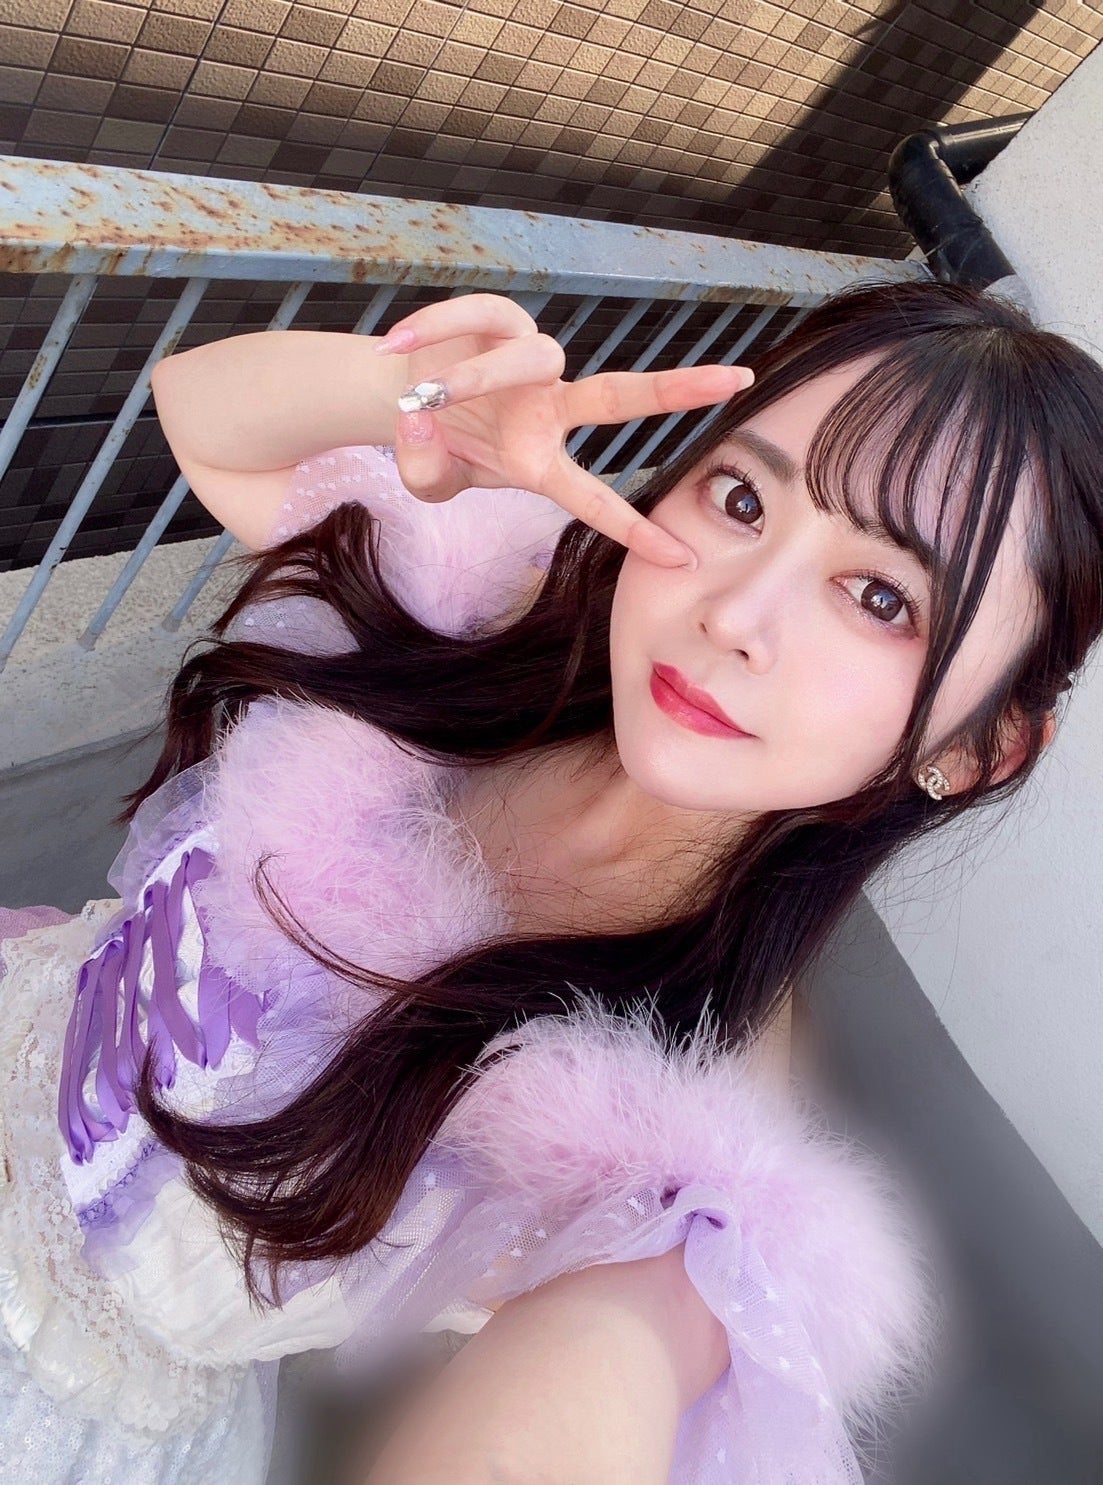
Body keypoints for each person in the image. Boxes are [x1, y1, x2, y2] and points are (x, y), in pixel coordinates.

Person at [2, 279, 1101, 1485]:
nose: (732, 613)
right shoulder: (493, 616)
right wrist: (405, 395)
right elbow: (199, 413)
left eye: (879, 596)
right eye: (741, 499)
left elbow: (594, 1380)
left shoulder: (686, 1122)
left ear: (975, 749)